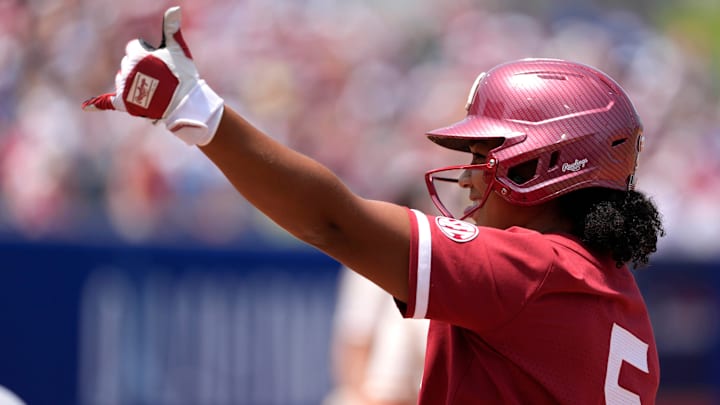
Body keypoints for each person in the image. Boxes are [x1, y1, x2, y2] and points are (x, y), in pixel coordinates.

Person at [82, 6, 664, 404]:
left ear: (546, 164)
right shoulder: (620, 303)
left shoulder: (533, 272)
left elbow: (334, 221)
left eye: (487, 150)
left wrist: (199, 112)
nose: (468, 174)